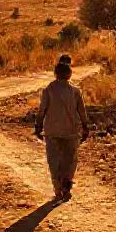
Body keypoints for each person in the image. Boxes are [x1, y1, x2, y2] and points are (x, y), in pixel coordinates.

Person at [34, 58, 89, 202]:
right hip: (71, 132)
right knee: (70, 160)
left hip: (52, 131)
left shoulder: (48, 90)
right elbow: (82, 112)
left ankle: (58, 188)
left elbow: (42, 111)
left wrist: (38, 126)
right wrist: (85, 126)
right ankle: (66, 185)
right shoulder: (75, 91)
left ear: (55, 74)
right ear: (70, 75)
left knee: (54, 161)